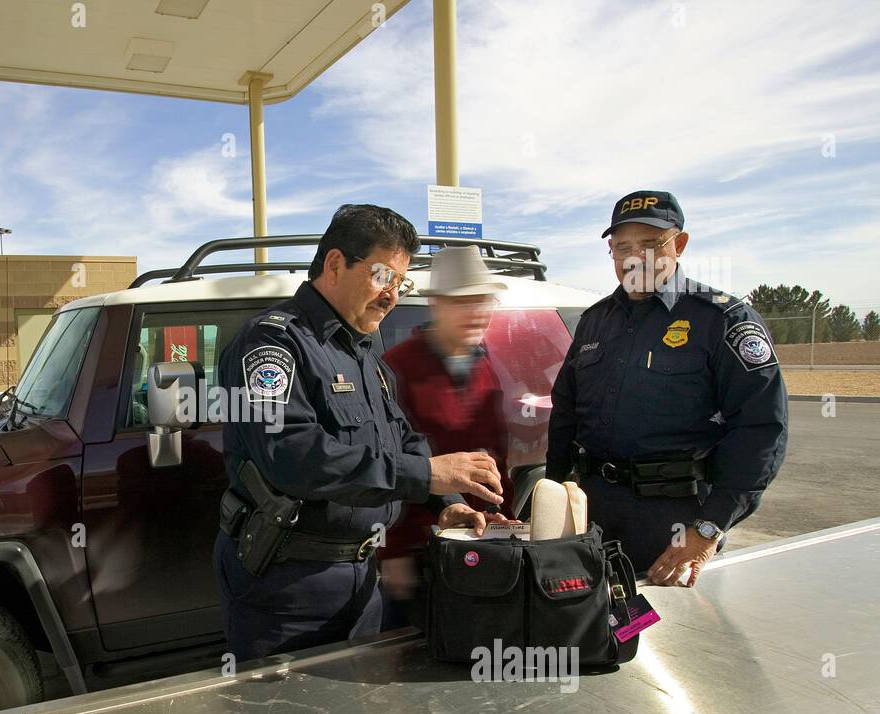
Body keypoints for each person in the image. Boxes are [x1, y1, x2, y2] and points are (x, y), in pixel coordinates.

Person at [215, 204, 507, 660]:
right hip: (288, 589)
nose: (393, 296)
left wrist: (445, 503)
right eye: (382, 277)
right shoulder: (272, 343)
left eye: (400, 283)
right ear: (335, 264)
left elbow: (402, 438)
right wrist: (427, 475)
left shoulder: (362, 349)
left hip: (362, 578)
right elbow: (293, 456)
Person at [547, 190, 788, 586]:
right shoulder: (595, 321)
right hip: (591, 513)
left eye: (648, 244)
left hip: (673, 525)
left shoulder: (721, 319)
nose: (632, 257)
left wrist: (708, 529)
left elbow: (760, 431)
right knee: (588, 627)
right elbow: (566, 412)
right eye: (621, 247)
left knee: (672, 638)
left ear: (679, 244)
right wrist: (553, 492)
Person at [379, 246, 514, 620]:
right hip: (424, 551)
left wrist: (504, 518)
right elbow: (388, 465)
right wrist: (394, 552)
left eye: (483, 301)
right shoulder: (397, 366)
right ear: (436, 305)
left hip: (483, 541)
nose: (477, 313)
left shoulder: (484, 363)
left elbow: (497, 457)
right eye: (464, 302)